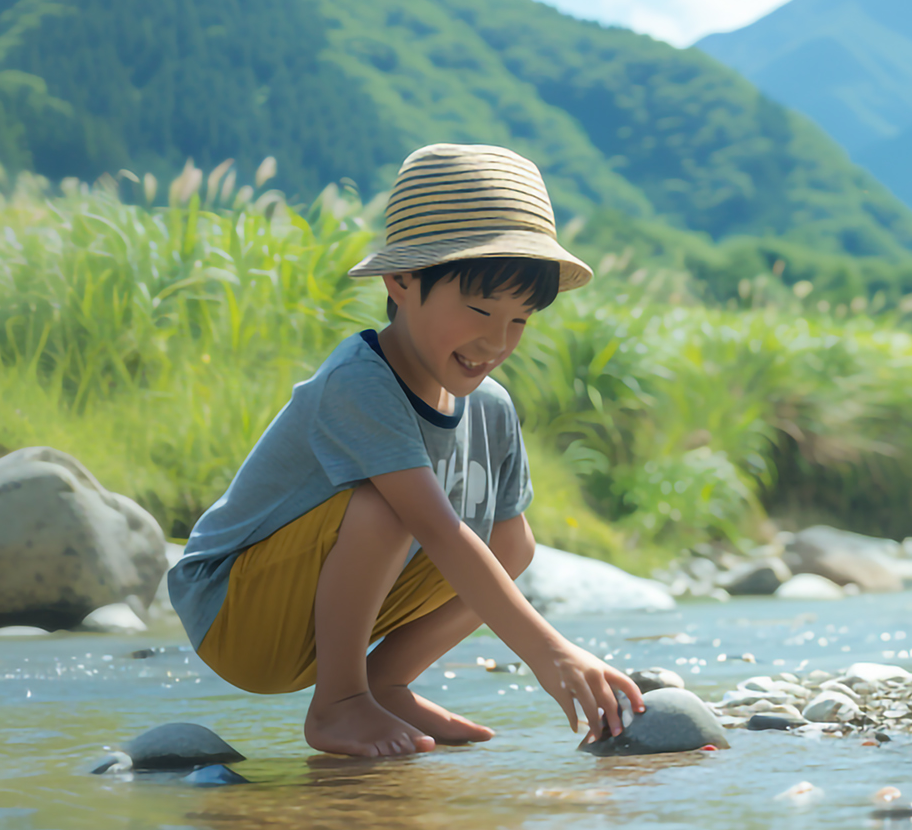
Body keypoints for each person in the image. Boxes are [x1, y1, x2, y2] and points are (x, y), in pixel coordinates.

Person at [166, 142, 640, 759]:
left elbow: (501, 550)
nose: (497, 340)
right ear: (402, 280)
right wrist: (551, 651)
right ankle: (337, 702)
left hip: (311, 614)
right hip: (234, 609)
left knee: (513, 541)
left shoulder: (491, 408)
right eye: (478, 308)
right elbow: (436, 530)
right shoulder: (360, 381)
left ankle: (382, 684)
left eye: (521, 320)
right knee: (390, 504)